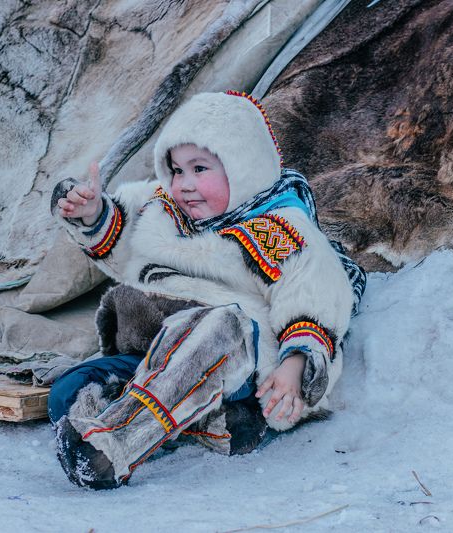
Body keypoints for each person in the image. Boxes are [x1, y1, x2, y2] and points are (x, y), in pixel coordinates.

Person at [48, 91, 365, 489]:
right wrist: (93, 214)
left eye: (200, 169)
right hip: (152, 359)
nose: (186, 185)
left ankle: (117, 445)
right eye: (177, 171)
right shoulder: (161, 208)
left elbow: (315, 294)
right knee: (65, 395)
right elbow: (120, 239)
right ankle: (212, 424)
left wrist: (295, 363)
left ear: (242, 165)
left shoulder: (279, 231)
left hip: (230, 358)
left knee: (216, 325)